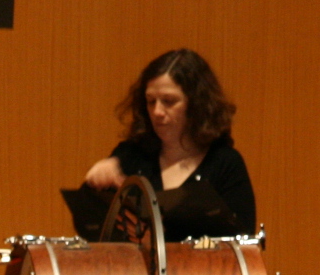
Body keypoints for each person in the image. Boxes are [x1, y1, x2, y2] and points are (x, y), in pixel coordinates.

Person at [83, 49, 256, 235]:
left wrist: (158, 242)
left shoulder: (225, 163)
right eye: (151, 101)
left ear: (196, 103)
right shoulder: (132, 155)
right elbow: (88, 225)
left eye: (169, 101)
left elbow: (243, 242)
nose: (157, 112)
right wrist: (95, 182)